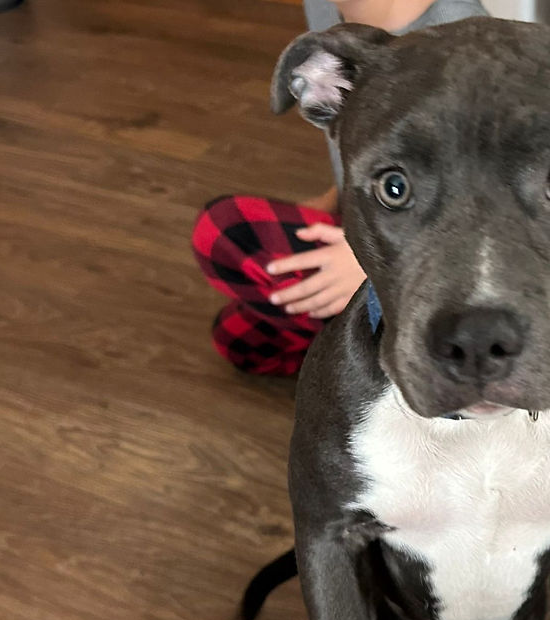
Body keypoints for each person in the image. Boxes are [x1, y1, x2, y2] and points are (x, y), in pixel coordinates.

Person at [192, 0, 489, 375]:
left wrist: (365, 267)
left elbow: (485, 218)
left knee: (223, 230)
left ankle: (385, 366)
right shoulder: (329, 11)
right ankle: (349, 343)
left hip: (429, 267)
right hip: (366, 220)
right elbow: (365, 154)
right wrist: (334, 200)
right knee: (237, 340)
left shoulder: (462, 47)